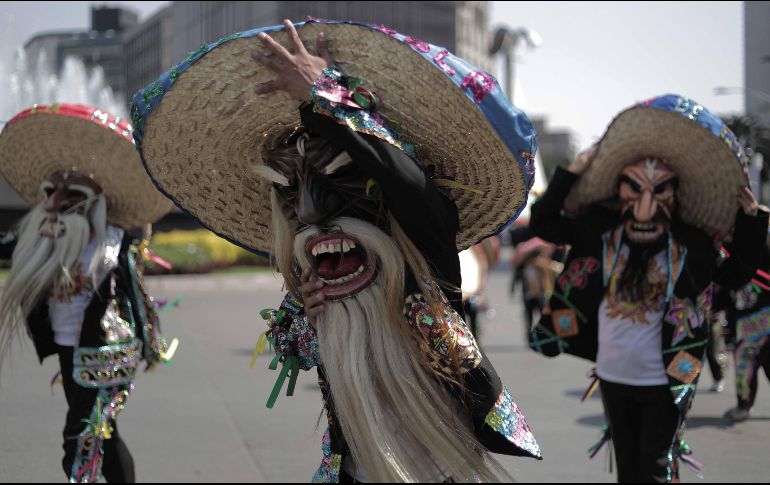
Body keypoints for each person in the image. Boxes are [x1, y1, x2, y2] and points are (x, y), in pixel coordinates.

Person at [132, 19, 542, 483]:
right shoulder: (319, 273)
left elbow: (407, 184)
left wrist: (324, 94)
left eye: (341, 185)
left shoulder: (425, 255)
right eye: (294, 193)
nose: (311, 212)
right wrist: (308, 315)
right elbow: (291, 346)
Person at [527, 95, 769, 482]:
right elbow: (543, 223)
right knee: (628, 471)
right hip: (613, 375)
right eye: (634, 188)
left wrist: (752, 220)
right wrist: (572, 172)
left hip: (667, 377)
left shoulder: (691, 244)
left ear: (675, 196)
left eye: (658, 191)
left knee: (656, 469)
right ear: (618, 189)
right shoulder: (599, 232)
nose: (644, 206)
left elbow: (736, 274)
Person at [0, 103, 175, 483]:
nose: (56, 202)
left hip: (104, 351)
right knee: (103, 433)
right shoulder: (44, 237)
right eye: (51, 191)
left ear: (92, 201)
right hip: (68, 347)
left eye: (71, 194)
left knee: (81, 433)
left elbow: (137, 296)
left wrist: (150, 345)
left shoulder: (112, 244)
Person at [717, 237, 770, 422]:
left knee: (747, 363)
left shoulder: (756, 244)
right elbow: (724, 289)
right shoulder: (730, 251)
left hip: (759, 317)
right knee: (748, 364)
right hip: (745, 320)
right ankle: (743, 406)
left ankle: (743, 406)